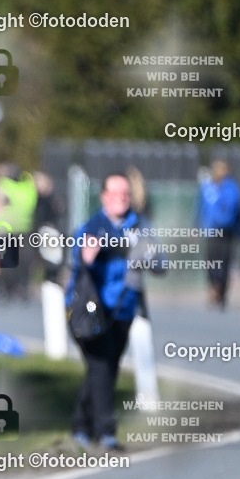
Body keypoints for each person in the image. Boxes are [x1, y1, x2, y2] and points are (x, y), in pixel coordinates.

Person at [66, 173, 152, 451]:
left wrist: (149, 256)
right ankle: (105, 433)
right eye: (115, 193)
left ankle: (81, 427)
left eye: (125, 193)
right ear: (103, 196)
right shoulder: (94, 226)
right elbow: (81, 261)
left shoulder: (139, 227)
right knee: (101, 366)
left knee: (106, 370)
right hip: (92, 310)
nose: (121, 198)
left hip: (123, 310)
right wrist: (88, 254)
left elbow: (159, 262)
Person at [196, 160, 240, 309]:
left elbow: (239, 212)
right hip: (211, 230)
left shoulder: (232, 189)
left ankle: (221, 291)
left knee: (224, 263)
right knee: (211, 261)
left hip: (226, 231)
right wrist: (196, 226)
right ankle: (214, 286)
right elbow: (199, 208)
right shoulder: (207, 187)